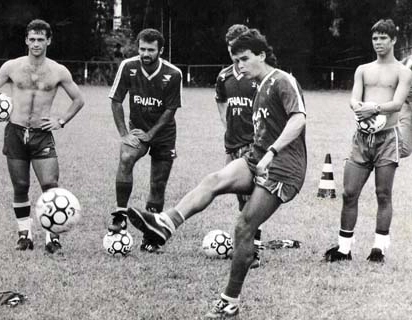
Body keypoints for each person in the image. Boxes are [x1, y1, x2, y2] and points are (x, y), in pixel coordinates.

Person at [126, 29, 307, 318]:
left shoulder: (283, 81)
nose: (240, 66)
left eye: (245, 59)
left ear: (262, 55)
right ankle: (165, 225)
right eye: (236, 61)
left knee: (244, 226)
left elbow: (299, 119)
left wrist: (272, 153)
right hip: (256, 156)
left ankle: (229, 301)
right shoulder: (257, 85)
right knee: (214, 180)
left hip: (283, 167)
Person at [0, 19, 85, 253]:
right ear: (26, 40)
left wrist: (61, 121)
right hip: (15, 133)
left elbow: (79, 100)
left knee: (50, 185)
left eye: (41, 39)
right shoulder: (12, 67)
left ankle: (52, 238)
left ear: (49, 41)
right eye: (32, 39)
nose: (36, 44)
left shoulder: (59, 71)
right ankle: (24, 235)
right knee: (20, 186)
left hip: (42, 135)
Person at [324, 19, 412, 263]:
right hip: (362, 139)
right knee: (349, 193)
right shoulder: (363, 69)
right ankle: (343, 249)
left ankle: (379, 249)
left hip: (388, 138)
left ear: (393, 40)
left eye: (383, 38)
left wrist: (373, 108)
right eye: (375, 38)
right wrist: (358, 107)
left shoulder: (403, 72)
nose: (378, 43)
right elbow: (354, 99)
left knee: (383, 194)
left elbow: (396, 103)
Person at [107, 28, 182, 252]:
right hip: (138, 131)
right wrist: (124, 133)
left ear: (160, 50)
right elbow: (116, 100)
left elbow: (170, 109)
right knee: (127, 155)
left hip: (164, 135)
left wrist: (152, 134)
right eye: (142, 49)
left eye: (150, 49)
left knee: (157, 185)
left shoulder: (173, 73)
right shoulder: (128, 67)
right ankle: (120, 214)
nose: (145, 53)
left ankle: (151, 236)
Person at [215, 24, 262, 268]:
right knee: (239, 195)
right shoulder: (224, 76)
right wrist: (227, 124)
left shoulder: (257, 77)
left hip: (251, 143)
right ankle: (251, 241)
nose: (234, 54)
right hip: (231, 143)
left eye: (239, 48)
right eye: (231, 48)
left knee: (249, 195)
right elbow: (220, 101)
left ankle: (251, 250)